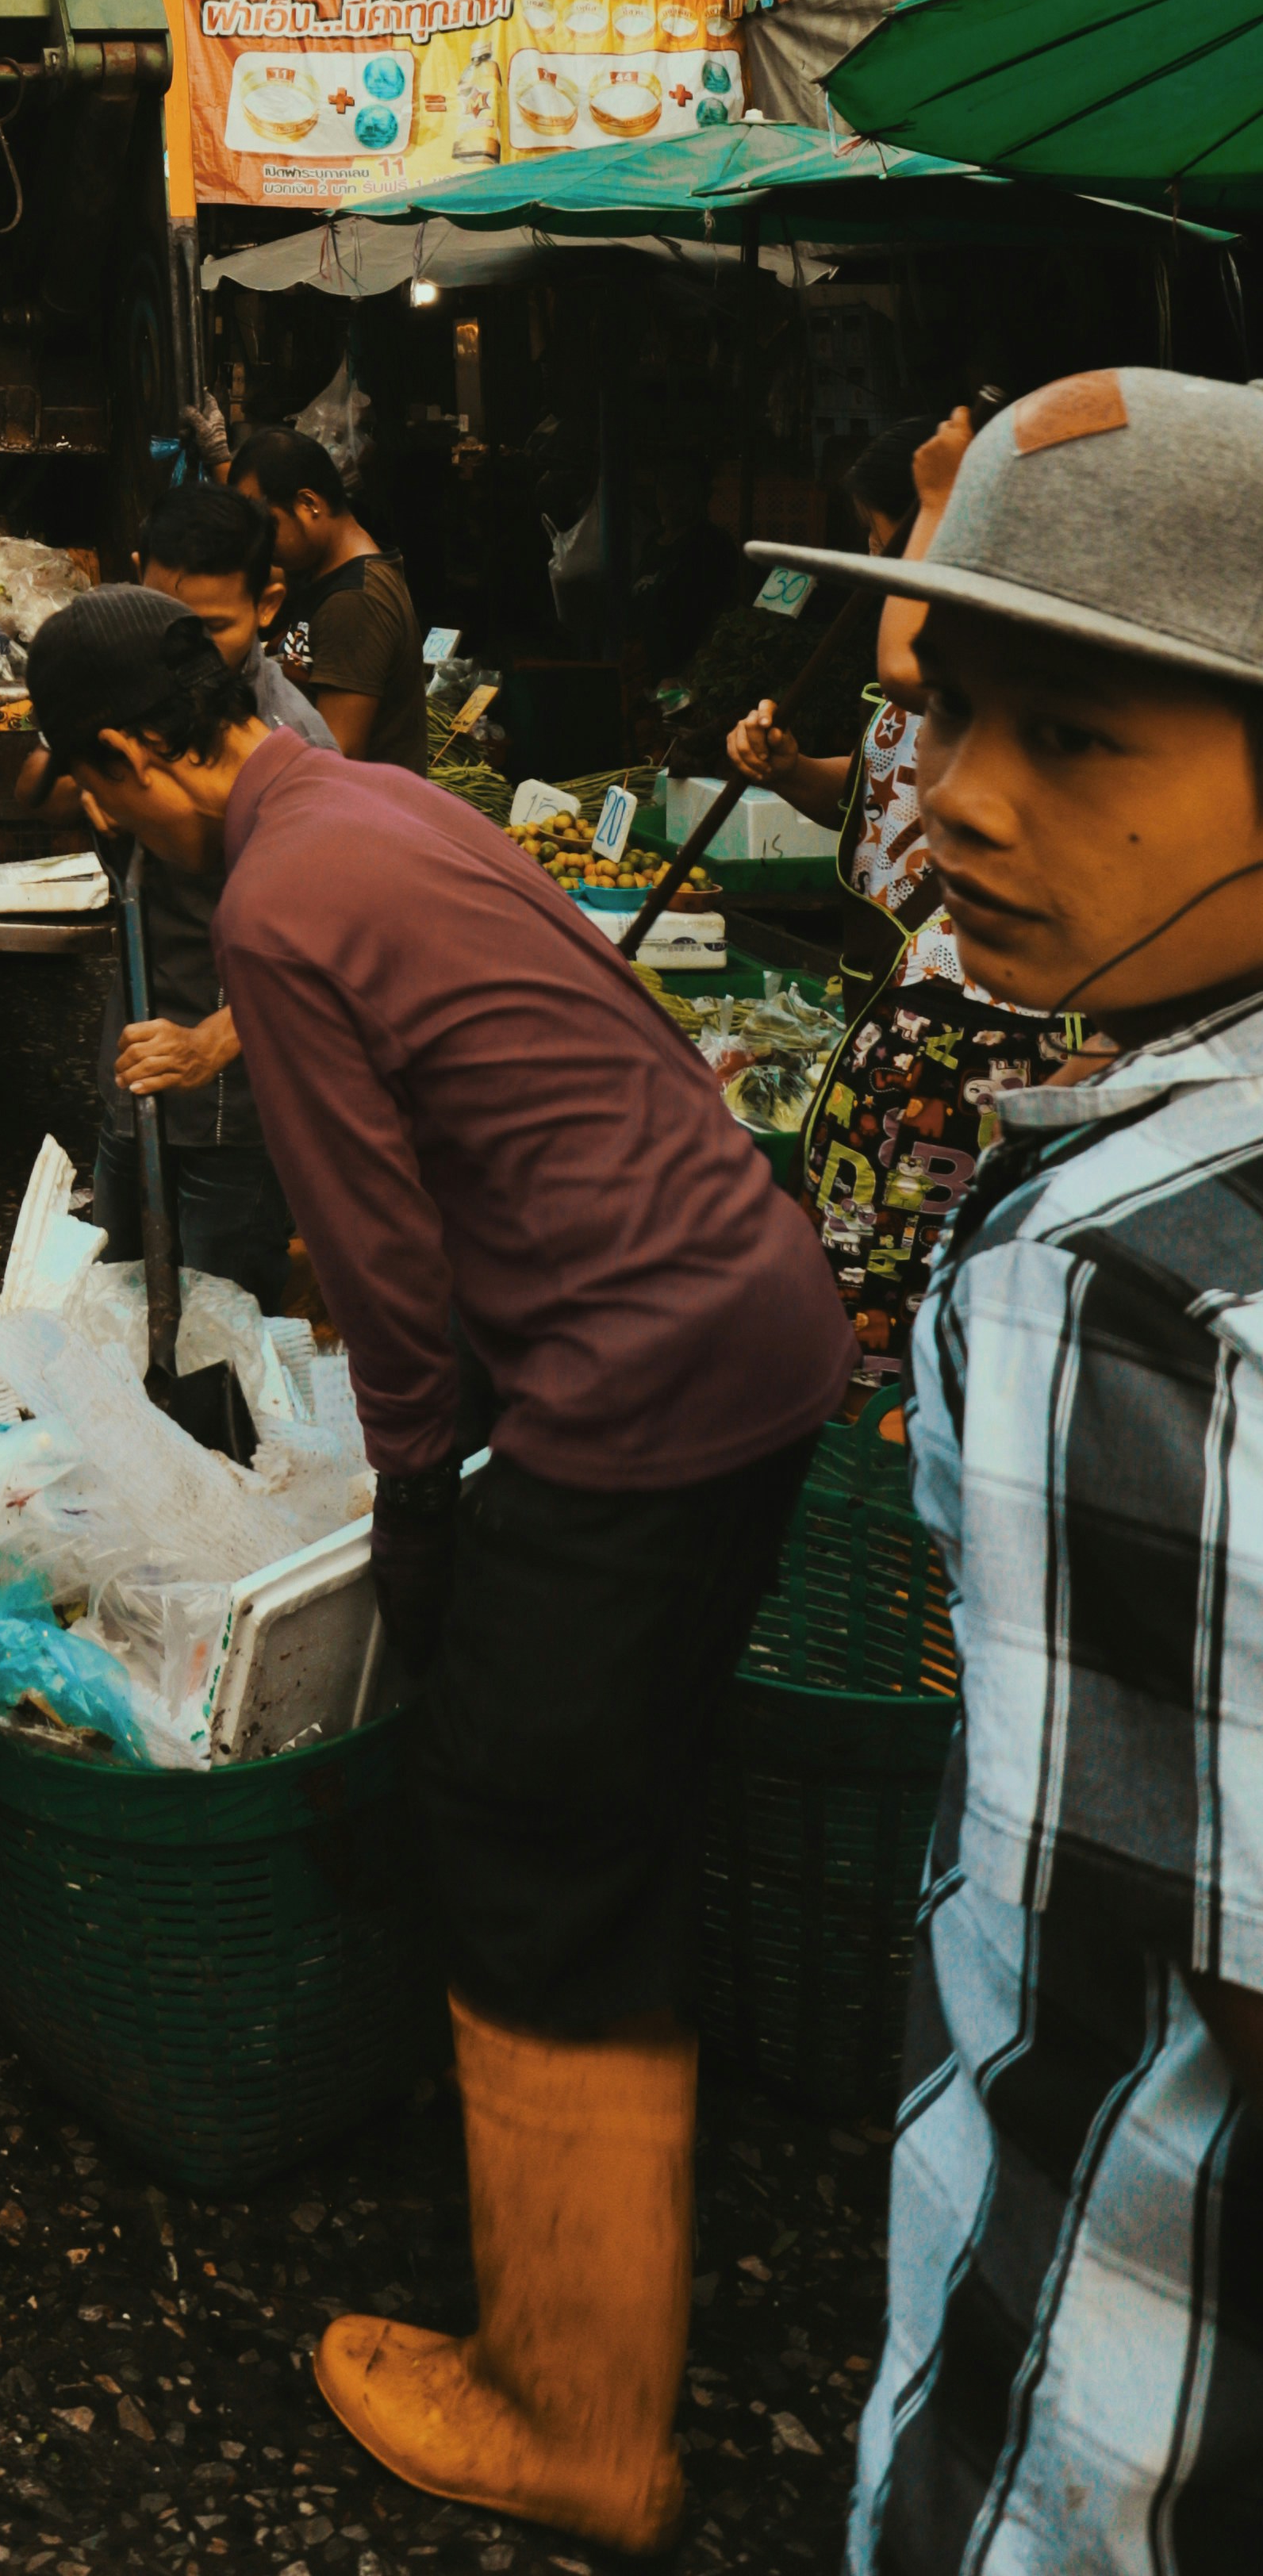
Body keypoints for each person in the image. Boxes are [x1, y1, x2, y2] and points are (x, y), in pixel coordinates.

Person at [24, 586, 851, 2552]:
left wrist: (414, 1514)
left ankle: (572, 2416)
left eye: (92, 796)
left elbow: (380, 1264)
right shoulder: (383, 800)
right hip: (761, 1320)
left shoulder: (268, 905)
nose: (109, 826)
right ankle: (616, 2249)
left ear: (127, 760)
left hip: (634, 1380)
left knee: (523, 1829)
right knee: (611, 1800)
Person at [732, 374, 1263, 2573]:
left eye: (1073, 737)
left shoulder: (1115, 1282)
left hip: (1113, 2425)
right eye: (946, 712)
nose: (954, 798)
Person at [734, 405, 1084, 1392]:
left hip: (975, 1036)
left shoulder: (1013, 648)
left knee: (924, 1313)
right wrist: (790, 771)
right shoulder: (961, 678)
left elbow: (904, 664)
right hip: (906, 1007)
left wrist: (938, 500)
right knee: (877, 1303)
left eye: (882, 538)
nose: (875, 564)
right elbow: (877, 782)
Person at [75, 481, 332, 1311]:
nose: (181, 654)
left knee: (219, 1337)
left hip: (235, 1119)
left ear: (267, 605)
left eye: (212, 630)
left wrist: (209, 1046)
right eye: (165, 624)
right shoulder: (134, 690)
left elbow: (321, 947)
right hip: (135, 1078)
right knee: (116, 1315)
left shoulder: (295, 747)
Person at [227, 425, 433, 768]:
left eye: (267, 525)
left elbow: (338, 760)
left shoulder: (353, 602)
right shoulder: (326, 573)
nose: (260, 542)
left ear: (308, 504)